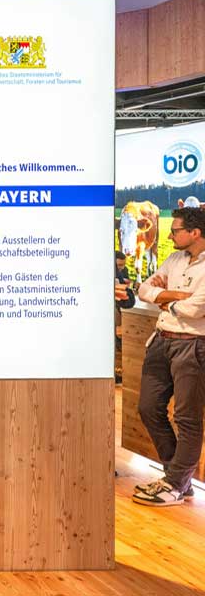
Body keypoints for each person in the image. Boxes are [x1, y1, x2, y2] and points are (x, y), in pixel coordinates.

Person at [133, 207, 205, 507]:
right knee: (148, 408)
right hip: (161, 342)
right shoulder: (174, 258)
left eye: (175, 230)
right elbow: (143, 289)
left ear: (195, 233)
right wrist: (175, 296)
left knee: (187, 418)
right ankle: (176, 479)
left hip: (193, 346)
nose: (171, 234)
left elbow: (196, 309)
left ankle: (175, 484)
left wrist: (165, 299)